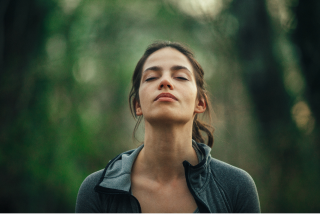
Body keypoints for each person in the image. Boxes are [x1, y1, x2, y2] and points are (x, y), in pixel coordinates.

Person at [75, 41, 260, 214]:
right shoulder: (96, 190)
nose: (165, 82)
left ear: (200, 103)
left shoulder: (236, 187)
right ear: (137, 105)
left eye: (180, 76)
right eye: (151, 77)